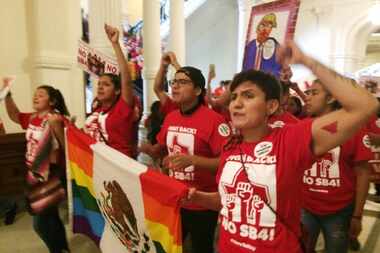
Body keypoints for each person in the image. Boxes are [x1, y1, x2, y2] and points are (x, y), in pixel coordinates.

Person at [184, 41, 378, 253]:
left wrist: (307, 61)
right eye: (234, 97)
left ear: (271, 106)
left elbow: (365, 106)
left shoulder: (290, 139)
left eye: (248, 96)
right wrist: (200, 197)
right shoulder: (231, 146)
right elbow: (231, 201)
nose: (236, 103)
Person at [141, 66, 231, 253]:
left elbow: (228, 163)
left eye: (183, 82)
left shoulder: (215, 121)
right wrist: (152, 152)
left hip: (202, 204)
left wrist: (194, 161)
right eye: (174, 81)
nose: (175, 86)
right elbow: (162, 151)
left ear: (198, 90)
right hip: (174, 200)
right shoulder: (171, 117)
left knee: (200, 248)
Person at [301, 79, 371, 253]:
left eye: (314, 93)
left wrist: (357, 215)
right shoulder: (301, 127)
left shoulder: (353, 128)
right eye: (307, 93)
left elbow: (363, 174)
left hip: (339, 210)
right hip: (305, 206)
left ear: (331, 97)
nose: (307, 98)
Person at [3, 78, 70, 252]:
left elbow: (68, 148)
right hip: (34, 174)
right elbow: (13, 114)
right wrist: (7, 94)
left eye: (41, 95)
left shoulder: (57, 118)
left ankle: (57, 250)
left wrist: (56, 127)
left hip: (50, 175)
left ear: (52, 101)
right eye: (35, 94)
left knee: (40, 223)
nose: (36, 97)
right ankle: (62, 249)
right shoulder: (33, 118)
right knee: (52, 217)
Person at [84, 25, 139, 158]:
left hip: (119, 167)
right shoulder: (96, 110)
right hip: (97, 165)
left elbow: (125, 78)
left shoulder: (122, 109)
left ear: (117, 90)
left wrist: (115, 44)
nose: (100, 87)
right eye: (99, 84)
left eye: (106, 85)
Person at [243, 13, 281, 77]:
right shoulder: (249, 46)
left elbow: (277, 71)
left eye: (270, 26)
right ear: (257, 27)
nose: (265, 29)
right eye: (263, 25)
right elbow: (245, 68)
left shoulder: (275, 47)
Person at [153, 51, 181, 116]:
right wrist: (163, 66)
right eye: (173, 83)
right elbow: (158, 89)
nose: (174, 87)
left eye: (181, 83)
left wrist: (175, 63)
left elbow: (187, 79)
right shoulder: (172, 105)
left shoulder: (197, 107)